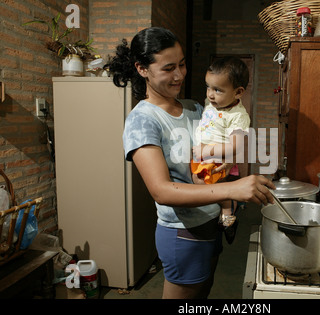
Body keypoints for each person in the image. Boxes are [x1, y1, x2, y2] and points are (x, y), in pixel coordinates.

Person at [107, 27, 274, 299]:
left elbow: (234, 139)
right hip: (182, 233)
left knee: (201, 293)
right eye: (169, 68)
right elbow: (161, 191)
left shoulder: (195, 108)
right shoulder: (143, 120)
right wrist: (232, 190)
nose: (179, 75)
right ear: (142, 69)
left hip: (211, 222)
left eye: (182, 64)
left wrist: (232, 156)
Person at [191, 56, 251, 244]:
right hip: (204, 156)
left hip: (218, 160)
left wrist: (205, 151)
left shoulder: (238, 116)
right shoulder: (214, 103)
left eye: (217, 90)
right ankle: (228, 211)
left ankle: (228, 215)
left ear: (238, 92)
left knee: (205, 186)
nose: (210, 94)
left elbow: (236, 145)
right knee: (204, 186)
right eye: (208, 87)